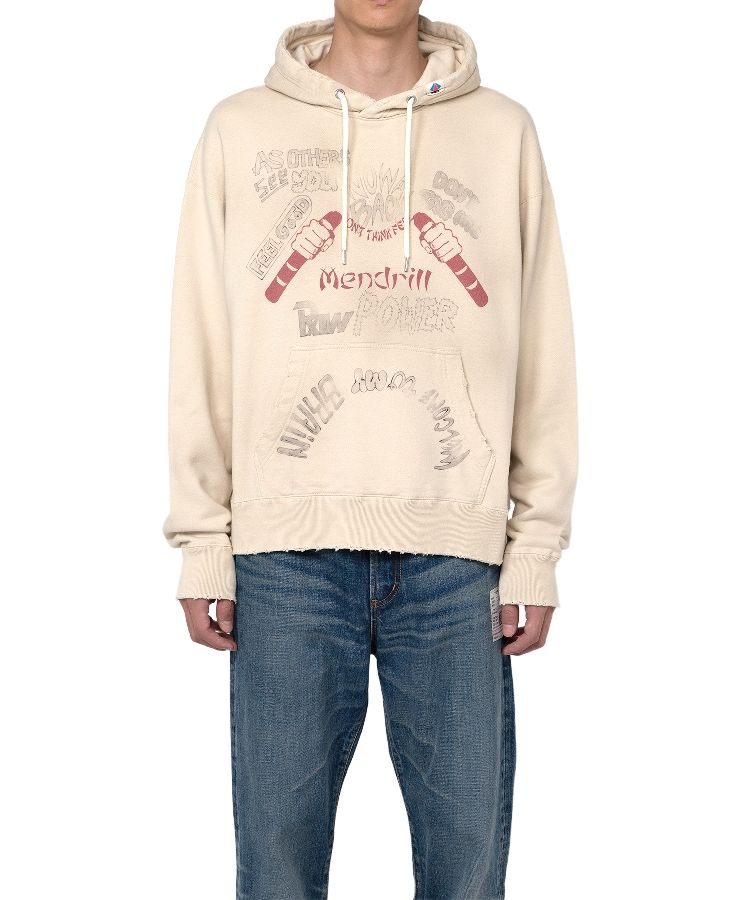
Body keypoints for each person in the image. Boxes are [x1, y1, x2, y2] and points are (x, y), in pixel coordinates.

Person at [163, 2, 578, 897]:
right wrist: (202, 538)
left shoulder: (502, 132)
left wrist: (536, 546)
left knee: (466, 872)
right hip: (284, 556)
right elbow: (202, 341)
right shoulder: (241, 128)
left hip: (459, 556)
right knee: (278, 872)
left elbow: (544, 346)